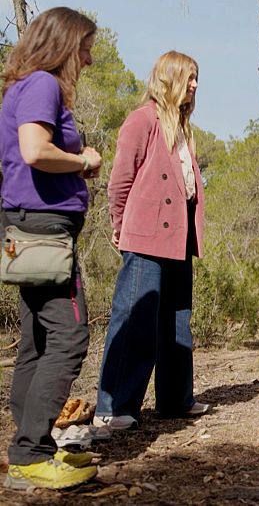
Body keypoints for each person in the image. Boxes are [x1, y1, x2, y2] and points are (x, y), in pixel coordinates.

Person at [0, 7, 102, 489]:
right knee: (69, 336)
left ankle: (27, 449)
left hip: (26, 227)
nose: (89, 58)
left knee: (37, 340)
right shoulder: (42, 84)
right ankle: (31, 454)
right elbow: (34, 150)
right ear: (63, 45)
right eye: (85, 47)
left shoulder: (23, 86)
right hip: (42, 230)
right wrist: (83, 160)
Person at [94, 51, 209, 431]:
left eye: (196, 78)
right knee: (135, 319)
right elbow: (120, 180)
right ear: (169, 78)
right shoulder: (142, 119)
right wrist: (119, 224)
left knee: (177, 322)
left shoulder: (182, 129)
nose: (195, 84)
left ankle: (176, 400)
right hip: (144, 236)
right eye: (189, 77)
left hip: (179, 237)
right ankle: (114, 406)